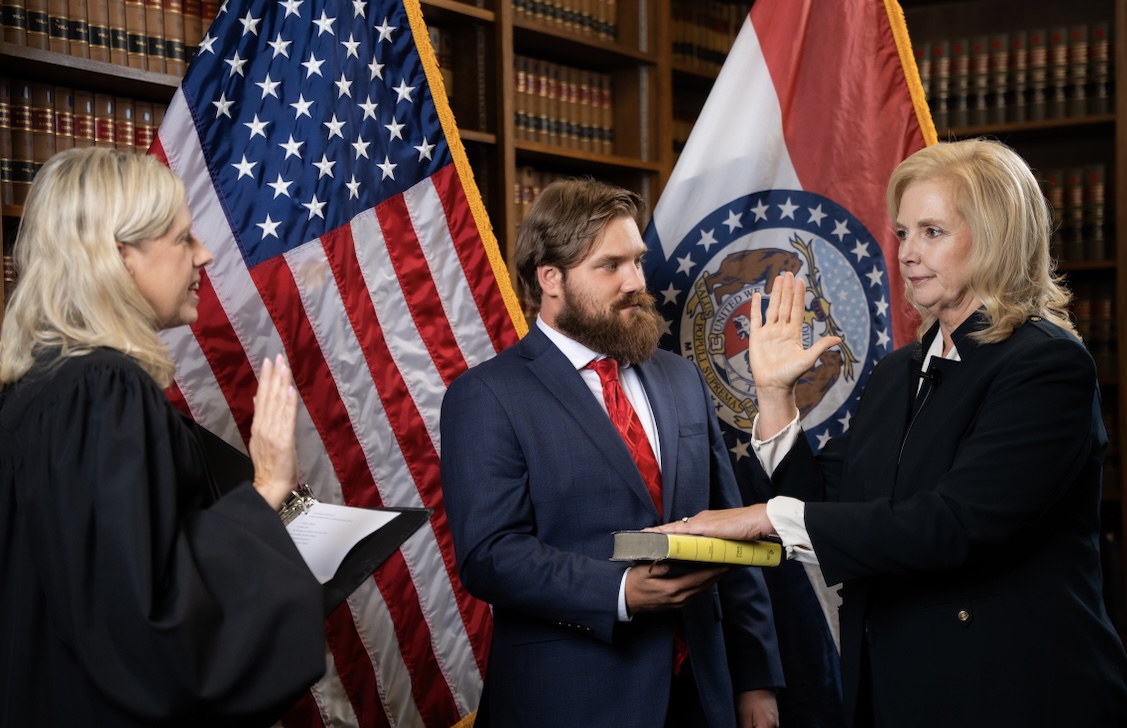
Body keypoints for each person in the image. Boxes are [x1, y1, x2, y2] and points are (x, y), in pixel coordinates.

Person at [655, 138, 1127, 727]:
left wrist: (764, 517)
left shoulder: (1046, 365)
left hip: (1011, 695)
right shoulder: (898, 370)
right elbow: (827, 505)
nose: (906, 253)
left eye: (933, 232)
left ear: (998, 237)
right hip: (893, 691)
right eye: (904, 233)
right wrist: (774, 395)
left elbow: (953, 525)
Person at [440, 178, 784, 728]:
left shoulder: (680, 378)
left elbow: (730, 527)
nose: (636, 283)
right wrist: (620, 590)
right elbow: (490, 556)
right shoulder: (485, 396)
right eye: (611, 266)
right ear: (550, 278)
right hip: (569, 701)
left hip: (704, 695)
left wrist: (756, 678)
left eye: (638, 261)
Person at [0, 148, 326, 727]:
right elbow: (143, 626)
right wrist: (267, 488)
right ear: (119, 257)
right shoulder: (101, 391)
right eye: (182, 239)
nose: (203, 256)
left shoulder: (39, 391)